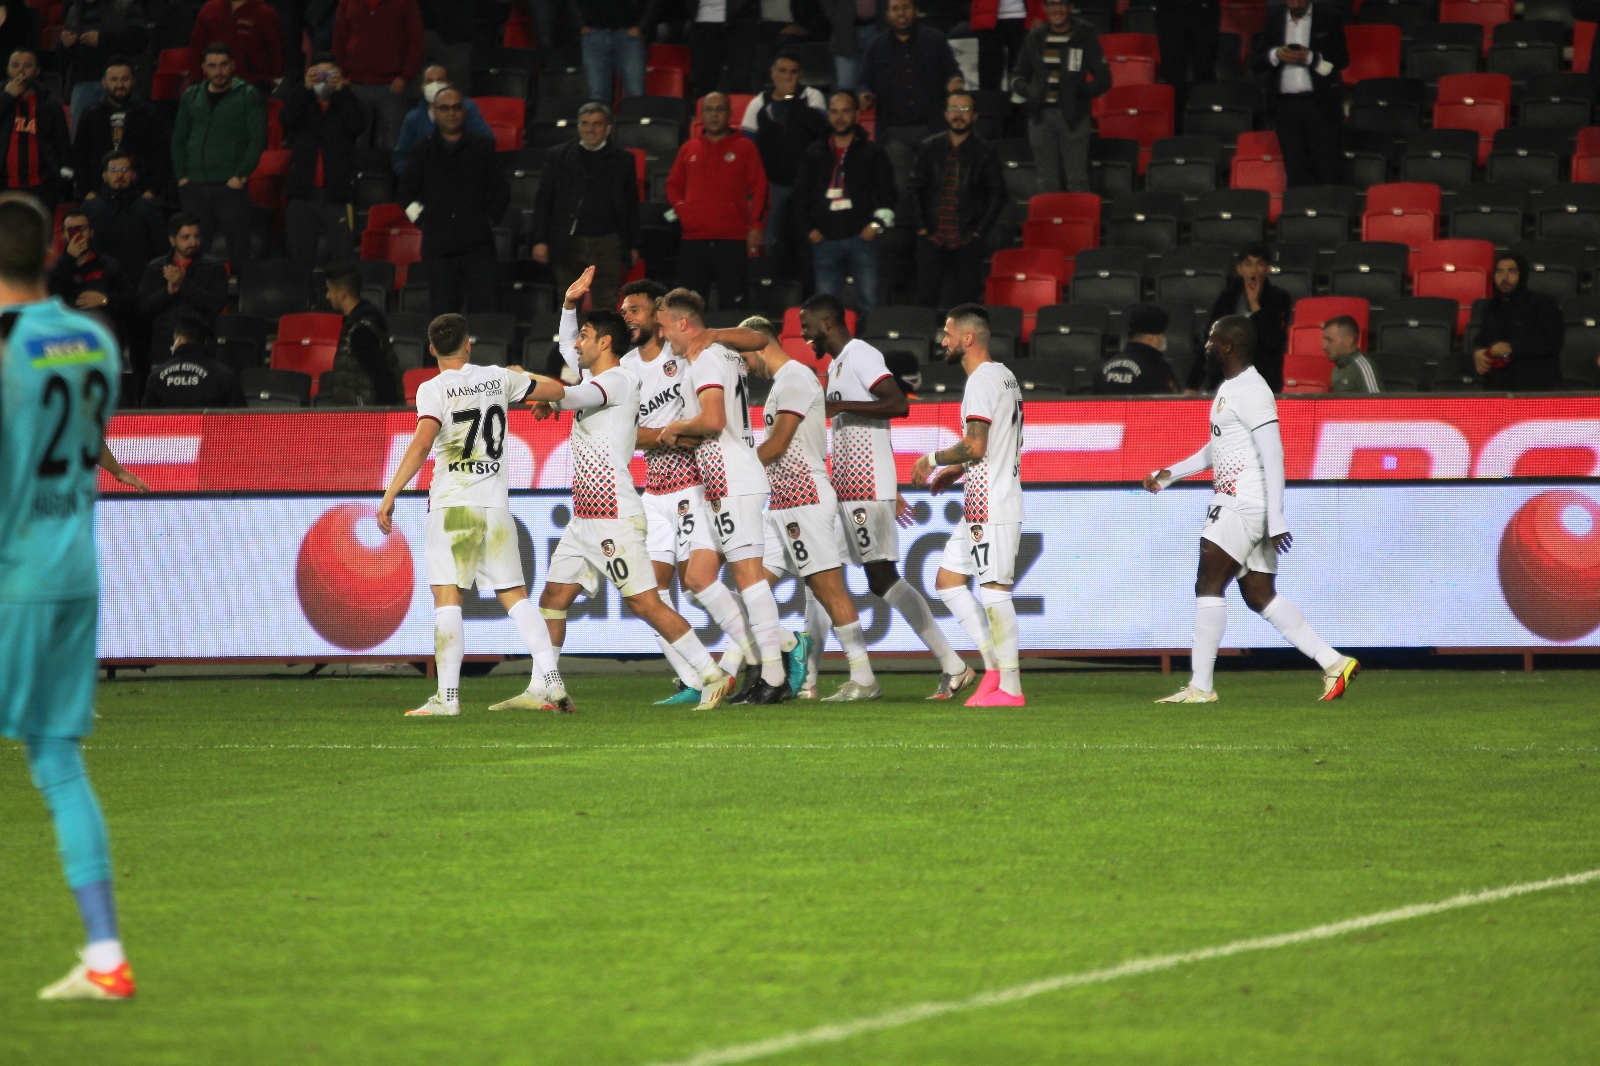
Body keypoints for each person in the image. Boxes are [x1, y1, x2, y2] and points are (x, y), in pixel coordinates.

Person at [0, 192, 150, 1003]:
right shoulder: (91, 338)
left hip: (14, 573)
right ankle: (104, 956)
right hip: (74, 568)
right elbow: (88, 442)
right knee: (56, 759)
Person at [698, 291, 974, 697]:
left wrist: (879, 473)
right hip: (844, 486)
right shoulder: (833, 369)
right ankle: (806, 680)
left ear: (828, 323)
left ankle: (952, 665)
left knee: (879, 580)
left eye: (807, 326)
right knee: (820, 581)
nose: (805, 336)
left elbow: (898, 404)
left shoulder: (859, 354)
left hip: (862, 487)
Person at [535, 297, 740, 710]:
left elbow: (570, 394)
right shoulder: (599, 377)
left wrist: (520, 383)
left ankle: (712, 674)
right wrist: (569, 306)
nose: (578, 346)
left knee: (645, 602)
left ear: (605, 342)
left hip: (613, 514)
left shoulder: (618, 380)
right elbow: (567, 357)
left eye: (587, 338)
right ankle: (547, 689)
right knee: (553, 598)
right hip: (584, 518)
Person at [1144, 315, 1360, 704]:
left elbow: (1272, 452)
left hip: (1242, 502)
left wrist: (1275, 516)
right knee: (1260, 595)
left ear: (1228, 346)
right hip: (1245, 503)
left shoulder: (1253, 389)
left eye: (1212, 339)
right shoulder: (1231, 388)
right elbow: (1221, 448)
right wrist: (1172, 473)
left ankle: (1201, 688)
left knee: (1207, 584)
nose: (1206, 344)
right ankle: (1334, 662)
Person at [376, 313, 579, 716]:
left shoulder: (432, 388)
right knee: (516, 598)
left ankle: (447, 699)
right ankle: (552, 679)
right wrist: (533, 388)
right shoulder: (499, 377)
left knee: (448, 598)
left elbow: (421, 443)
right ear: (469, 344)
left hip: (453, 506)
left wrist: (390, 494)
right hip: (496, 508)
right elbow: (558, 387)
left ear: (432, 349)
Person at [602, 274, 764, 703]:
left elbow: (755, 339)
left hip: (696, 484)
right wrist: (663, 434)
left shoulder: (691, 351)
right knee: (646, 594)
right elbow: (623, 433)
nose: (628, 319)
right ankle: (695, 678)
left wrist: (710, 333)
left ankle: (765, 648)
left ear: (660, 314)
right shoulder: (625, 369)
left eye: (634, 311)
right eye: (623, 313)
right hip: (653, 491)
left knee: (699, 581)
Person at [654, 288, 802, 704]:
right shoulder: (723, 352)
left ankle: (773, 676)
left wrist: (677, 428)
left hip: (733, 478)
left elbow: (715, 420)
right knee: (699, 577)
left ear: (684, 323)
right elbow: (757, 340)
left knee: (748, 578)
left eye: (665, 327)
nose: (664, 336)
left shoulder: (705, 358)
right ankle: (779, 647)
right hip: (715, 482)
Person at [744, 314, 883, 701]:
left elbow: (777, 446)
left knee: (829, 591)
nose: (743, 364)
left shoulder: (796, 378)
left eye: (743, 354)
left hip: (805, 500)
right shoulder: (780, 384)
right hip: (783, 504)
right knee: (751, 588)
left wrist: (733, 471)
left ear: (758, 342)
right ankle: (785, 652)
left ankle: (865, 678)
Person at [910, 303, 1027, 706]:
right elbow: (988, 449)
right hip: (979, 499)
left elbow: (975, 443)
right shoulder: (1004, 376)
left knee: (994, 590)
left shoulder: (981, 380)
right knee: (947, 582)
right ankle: (994, 669)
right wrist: (957, 470)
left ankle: (1011, 686)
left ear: (968, 338)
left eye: (948, 332)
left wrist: (932, 460)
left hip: (991, 503)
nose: (943, 340)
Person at [398, 87, 508, 315]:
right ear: (434, 112)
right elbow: (406, 194)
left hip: (478, 248)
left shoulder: (482, 146)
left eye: (456, 107)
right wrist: (423, 221)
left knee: (486, 312)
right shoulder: (420, 150)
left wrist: (487, 220)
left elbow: (501, 191)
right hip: (438, 249)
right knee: (444, 318)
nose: (451, 113)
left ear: (464, 111)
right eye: (444, 108)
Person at [530, 102, 640, 315]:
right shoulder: (558, 156)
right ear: (578, 127)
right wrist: (539, 240)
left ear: (608, 128)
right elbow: (543, 201)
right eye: (585, 124)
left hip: (608, 243)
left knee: (606, 304)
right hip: (567, 242)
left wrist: (633, 244)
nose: (591, 129)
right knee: (568, 302)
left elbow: (631, 206)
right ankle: (567, 348)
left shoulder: (623, 160)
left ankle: (603, 347)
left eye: (597, 124)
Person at [792, 91, 897, 315]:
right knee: (826, 310)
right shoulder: (814, 153)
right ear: (828, 115)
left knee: (870, 303)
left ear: (857, 114)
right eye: (835, 112)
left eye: (846, 111)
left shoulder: (873, 153)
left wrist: (877, 226)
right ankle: (833, 351)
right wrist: (808, 230)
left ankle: (871, 349)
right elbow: (799, 197)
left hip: (863, 239)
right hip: (824, 241)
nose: (840, 117)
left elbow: (889, 195)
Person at [666, 92, 767, 313]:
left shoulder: (745, 148)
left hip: (732, 240)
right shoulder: (688, 149)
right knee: (689, 309)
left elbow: (761, 189)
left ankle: (730, 349)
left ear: (730, 114)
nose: (714, 115)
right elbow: (672, 185)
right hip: (694, 239)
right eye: (709, 110)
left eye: (720, 109)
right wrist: (684, 211)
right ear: (701, 115)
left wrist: (757, 227)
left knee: (733, 307)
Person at [906, 90, 1004, 310]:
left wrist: (978, 231)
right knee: (925, 298)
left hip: (967, 238)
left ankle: (965, 345)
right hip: (932, 235)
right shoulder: (929, 147)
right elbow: (914, 189)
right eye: (954, 108)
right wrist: (921, 227)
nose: (959, 114)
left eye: (965, 109)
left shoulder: (985, 151)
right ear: (945, 114)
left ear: (975, 117)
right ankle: (923, 343)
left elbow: (998, 195)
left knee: (967, 302)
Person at [172, 44, 266, 266]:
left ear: (232, 65)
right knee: (193, 250)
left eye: (223, 65)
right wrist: (181, 177)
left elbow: (257, 140)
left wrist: (241, 176)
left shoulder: (248, 95)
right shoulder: (192, 95)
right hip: (194, 186)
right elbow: (178, 138)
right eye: (212, 66)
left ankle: (245, 297)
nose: (219, 71)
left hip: (230, 186)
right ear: (204, 68)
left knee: (239, 248)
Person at [856, 0, 964, 183]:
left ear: (916, 11)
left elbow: (952, 71)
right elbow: (863, 82)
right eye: (895, 8)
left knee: (936, 186)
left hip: (933, 129)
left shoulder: (936, 39)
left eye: (906, 7)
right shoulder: (876, 45)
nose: (901, 13)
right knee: (900, 189)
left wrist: (955, 82)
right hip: (894, 133)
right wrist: (864, 95)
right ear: (887, 14)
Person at [740, 50, 829, 273]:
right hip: (773, 187)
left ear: (800, 75)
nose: (788, 76)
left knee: (807, 242)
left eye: (793, 72)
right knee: (772, 242)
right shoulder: (758, 103)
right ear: (772, 73)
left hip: (806, 188)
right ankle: (774, 292)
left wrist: (791, 99)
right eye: (782, 71)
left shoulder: (812, 96)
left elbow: (821, 133)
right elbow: (746, 150)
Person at [1009, 0, 1110, 194]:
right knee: (1047, 183)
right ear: (1045, 8)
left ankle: (1080, 224)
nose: (1058, 9)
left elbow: (1104, 78)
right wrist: (1029, 92)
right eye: (1052, 4)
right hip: (1040, 118)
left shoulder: (1084, 35)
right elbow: (1017, 75)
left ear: (1071, 7)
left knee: (1077, 181)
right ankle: (1051, 224)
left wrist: (1079, 93)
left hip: (1073, 117)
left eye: (1062, 3)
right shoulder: (1035, 37)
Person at [281, 54, 365, 267]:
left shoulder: (347, 100)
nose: (324, 80)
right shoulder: (303, 101)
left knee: (343, 259)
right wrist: (304, 88)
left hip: (337, 194)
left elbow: (356, 126)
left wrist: (341, 92)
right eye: (319, 75)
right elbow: (286, 120)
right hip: (303, 193)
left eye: (330, 74)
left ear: (339, 76)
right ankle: (304, 300)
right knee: (300, 260)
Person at [1252, 0, 1345, 188]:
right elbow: (1256, 62)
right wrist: (1276, 55)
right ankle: (1298, 214)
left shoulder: (1329, 17)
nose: (1295, 2)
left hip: (1319, 105)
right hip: (1285, 107)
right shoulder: (1273, 18)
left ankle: (1330, 212)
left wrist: (1309, 58)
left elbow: (1341, 59)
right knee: (1295, 171)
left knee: (1327, 170)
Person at [1191, 244, 1292, 393]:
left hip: (1262, 381)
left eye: (1260, 264)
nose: (1254, 270)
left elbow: (1273, 342)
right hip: (1224, 381)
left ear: (1268, 270)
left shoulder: (1279, 299)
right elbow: (1210, 339)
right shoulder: (1227, 299)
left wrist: (1255, 305)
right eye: (1248, 264)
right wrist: (1192, 385)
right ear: (1239, 269)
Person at [136, 212, 230, 369]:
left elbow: (216, 304)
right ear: (173, 240)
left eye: (197, 236)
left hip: (201, 348)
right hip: (163, 350)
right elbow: (141, 307)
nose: (193, 242)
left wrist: (183, 284)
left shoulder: (213, 267)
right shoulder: (155, 268)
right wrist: (167, 292)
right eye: (186, 237)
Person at [332, 0, 426, 151]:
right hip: (355, 86)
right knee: (354, 145)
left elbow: (416, 41)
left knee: (394, 146)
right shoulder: (347, 2)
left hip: (392, 86)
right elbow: (339, 40)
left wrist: (405, 77)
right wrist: (341, 76)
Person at [72, 59, 169, 200]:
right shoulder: (90, 114)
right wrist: (87, 191)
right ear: (104, 82)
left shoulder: (150, 115)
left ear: (134, 81)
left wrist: (152, 191)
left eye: (125, 79)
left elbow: (161, 156)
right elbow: (79, 155)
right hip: (98, 195)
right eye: (114, 79)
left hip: (139, 194)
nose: (119, 85)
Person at [1471, 252, 1564, 392]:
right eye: (1499, 272)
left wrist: (1512, 348)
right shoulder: (1490, 308)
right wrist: (1478, 353)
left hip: (1536, 387)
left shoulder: (1542, 304)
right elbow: (1481, 340)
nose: (1504, 278)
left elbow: (1553, 342)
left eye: (1511, 271)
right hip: (1497, 389)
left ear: (1522, 275)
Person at [318, 264, 401, 405]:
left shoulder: (361, 332)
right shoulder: (358, 324)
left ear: (342, 293)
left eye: (330, 290)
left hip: (365, 420)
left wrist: (382, 421)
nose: (328, 295)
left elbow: (383, 380)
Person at [57, 0, 148, 129]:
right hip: (83, 83)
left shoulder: (126, 5)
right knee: (81, 137)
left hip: (118, 83)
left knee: (123, 133)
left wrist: (102, 39)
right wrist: (64, 44)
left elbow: (140, 38)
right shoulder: (73, 10)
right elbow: (62, 58)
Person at [81, 151, 166, 284]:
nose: (120, 175)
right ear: (104, 175)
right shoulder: (89, 209)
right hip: (99, 282)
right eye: (113, 170)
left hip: (139, 283)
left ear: (134, 175)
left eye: (125, 170)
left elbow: (161, 250)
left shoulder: (148, 208)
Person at [1, 49, 73, 207]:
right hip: (3, 188)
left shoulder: (50, 106)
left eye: (27, 65)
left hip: (41, 189)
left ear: (37, 71)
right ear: (7, 69)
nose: (21, 70)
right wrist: (7, 97)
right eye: (15, 65)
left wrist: (62, 185)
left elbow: (63, 149)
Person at [391, 65, 490, 177]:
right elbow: (400, 157)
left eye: (440, 80)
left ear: (449, 84)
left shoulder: (466, 108)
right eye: (429, 81)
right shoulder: (413, 118)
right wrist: (413, 176)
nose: (435, 85)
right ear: (422, 87)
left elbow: (486, 142)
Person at [47, 208, 134, 328]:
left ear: (91, 233)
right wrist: (69, 259)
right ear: (63, 236)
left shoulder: (108, 265)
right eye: (71, 231)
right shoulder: (55, 267)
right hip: (67, 332)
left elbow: (132, 301)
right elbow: (49, 296)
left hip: (103, 330)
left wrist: (106, 300)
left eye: (81, 229)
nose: (77, 235)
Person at [142, 313, 245, 407]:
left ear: (179, 339)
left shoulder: (156, 377)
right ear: (205, 342)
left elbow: (146, 421)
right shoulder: (224, 376)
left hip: (168, 428)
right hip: (210, 427)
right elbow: (240, 419)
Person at [187, 0, 283, 90]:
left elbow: (276, 54)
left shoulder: (265, 13)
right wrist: (196, 84)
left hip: (251, 87)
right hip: (211, 85)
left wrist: (269, 85)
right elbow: (196, 50)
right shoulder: (209, 9)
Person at [574, 0, 654, 102]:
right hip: (594, 34)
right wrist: (580, 24)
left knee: (636, 92)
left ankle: (635, 117)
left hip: (629, 35)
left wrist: (642, 26)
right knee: (597, 94)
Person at [1155, 0, 1219, 118]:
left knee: (1204, 71)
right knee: (1172, 73)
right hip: (1169, 10)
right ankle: (1174, 128)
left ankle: (1206, 125)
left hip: (1203, 9)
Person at [1095, 304, 1179, 394]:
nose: (1164, 338)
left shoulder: (1104, 369)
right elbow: (1173, 405)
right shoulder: (1159, 371)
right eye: (1162, 334)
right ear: (1151, 338)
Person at [689, 0, 760, 99]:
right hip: (703, 23)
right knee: (704, 79)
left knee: (740, 79)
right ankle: (704, 111)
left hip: (740, 21)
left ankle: (740, 112)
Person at [969, 0, 1041, 91]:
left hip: (1023, 18)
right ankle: (989, 103)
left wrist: (1040, 13)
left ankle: (1020, 104)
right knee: (989, 77)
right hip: (987, 18)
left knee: (1022, 74)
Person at [828, 0, 882, 91]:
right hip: (845, 32)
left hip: (878, 28)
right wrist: (839, 18)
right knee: (847, 87)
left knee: (880, 85)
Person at [1322, 315, 1381, 394]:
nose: (1323, 346)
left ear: (1348, 341)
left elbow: (1376, 404)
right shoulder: (1337, 369)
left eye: (1329, 340)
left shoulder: (1363, 368)